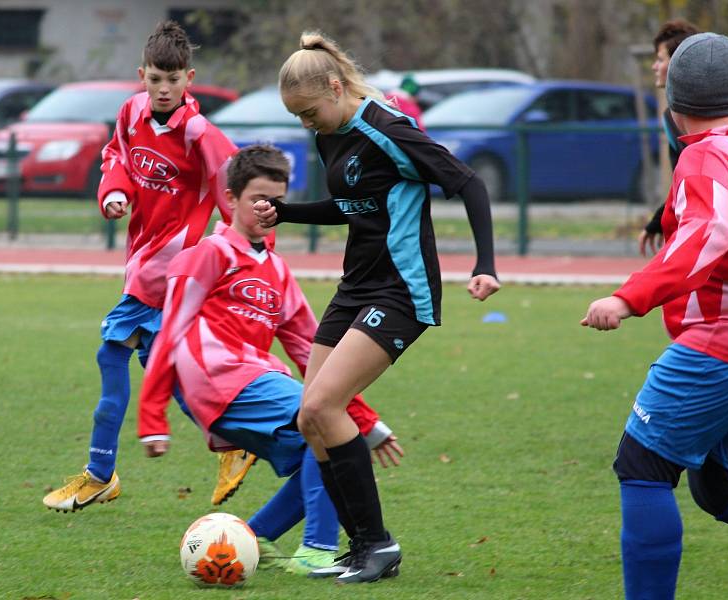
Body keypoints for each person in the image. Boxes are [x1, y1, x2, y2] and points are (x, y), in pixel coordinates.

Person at [254, 31, 501, 583]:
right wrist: (289, 213)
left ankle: (378, 545)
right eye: (297, 117)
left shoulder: (389, 128)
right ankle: (363, 546)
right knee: (309, 418)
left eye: (309, 112)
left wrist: (485, 263)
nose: (306, 125)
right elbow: (354, 206)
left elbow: (470, 183)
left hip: (401, 292)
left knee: (323, 405)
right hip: (354, 289)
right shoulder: (331, 133)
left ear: (336, 87)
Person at [137, 144, 403, 574]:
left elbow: (310, 352)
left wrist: (367, 421)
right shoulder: (208, 255)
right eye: (256, 199)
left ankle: (251, 535)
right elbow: (169, 332)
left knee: (322, 444)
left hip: (256, 379)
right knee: (321, 425)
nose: (266, 209)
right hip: (219, 381)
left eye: (275, 201)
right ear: (230, 199)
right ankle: (318, 548)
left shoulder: (277, 270)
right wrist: (152, 418)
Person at [582, 33, 728, 600]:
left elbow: (709, 232)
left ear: (675, 100)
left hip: (723, 340)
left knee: (643, 464)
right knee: (720, 486)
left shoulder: (705, 154)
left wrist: (629, 296)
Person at [43, 21, 241, 512]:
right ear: (142, 76)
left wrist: (242, 247)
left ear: (189, 78)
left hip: (171, 271)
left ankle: (100, 474)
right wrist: (114, 192)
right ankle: (227, 440)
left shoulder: (199, 132)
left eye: (173, 80)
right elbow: (118, 157)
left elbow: (235, 183)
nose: (164, 89)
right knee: (156, 370)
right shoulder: (130, 112)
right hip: (143, 262)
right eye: (155, 78)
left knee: (117, 356)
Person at [638, 18, 700, 256]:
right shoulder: (674, 117)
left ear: (678, 63)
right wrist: (658, 220)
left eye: (660, 59)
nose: (655, 66)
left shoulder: (688, 118)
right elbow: (682, 184)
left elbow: (693, 185)